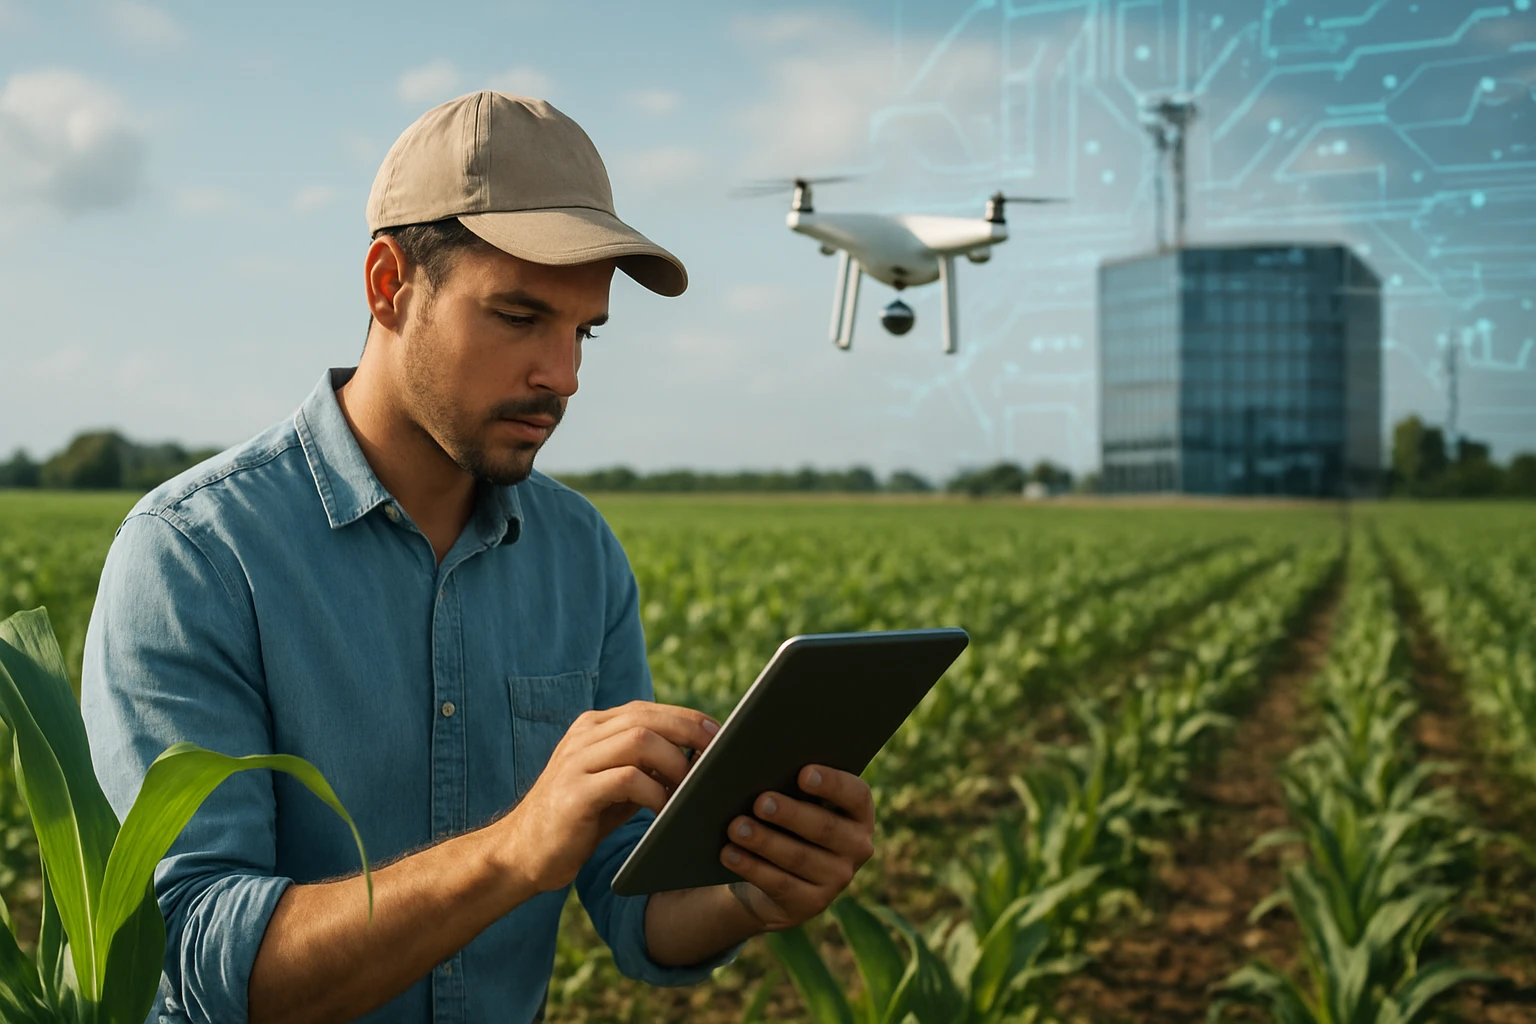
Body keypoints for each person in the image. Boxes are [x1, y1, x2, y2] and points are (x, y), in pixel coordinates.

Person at [81, 91, 876, 1024]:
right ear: (389, 283)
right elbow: (203, 962)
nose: (564, 375)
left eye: (583, 332)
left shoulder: (579, 553)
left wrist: (750, 889)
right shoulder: (196, 555)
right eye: (518, 316)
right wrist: (509, 852)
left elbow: (631, 897)